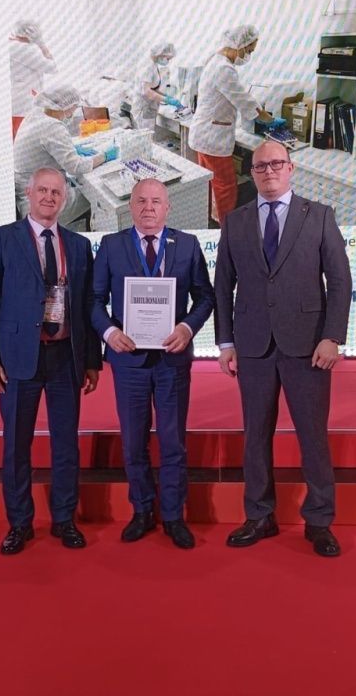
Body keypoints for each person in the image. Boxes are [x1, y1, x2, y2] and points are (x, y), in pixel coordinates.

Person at [214, 141, 352, 557]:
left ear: (291, 168)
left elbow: (339, 281)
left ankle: (319, 520)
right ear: (252, 173)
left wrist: (332, 336)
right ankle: (259, 515)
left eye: (276, 163)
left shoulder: (319, 216)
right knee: (255, 436)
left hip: (308, 345)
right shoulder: (235, 221)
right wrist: (225, 342)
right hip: (253, 345)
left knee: (313, 436)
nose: (269, 171)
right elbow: (223, 286)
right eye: (260, 166)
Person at [0, 167, 102, 555]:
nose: (49, 197)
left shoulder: (78, 245)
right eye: (42, 190)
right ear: (28, 194)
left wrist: (92, 360)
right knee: (17, 444)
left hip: (66, 358)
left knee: (66, 444)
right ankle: (19, 523)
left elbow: (86, 307)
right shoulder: (2, 238)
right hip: (17, 359)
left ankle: (64, 519)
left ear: (65, 198)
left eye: (56, 192)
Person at [92, 179, 214, 549]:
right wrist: (109, 332)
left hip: (171, 360)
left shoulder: (187, 245)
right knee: (133, 441)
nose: (149, 207)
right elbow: (93, 300)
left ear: (168, 207)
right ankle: (142, 510)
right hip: (128, 360)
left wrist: (187, 328)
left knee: (173, 441)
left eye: (156, 201)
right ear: (130, 206)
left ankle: (174, 515)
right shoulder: (111, 246)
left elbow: (205, 297)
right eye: (141, 201)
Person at [188, 24, 273, 223]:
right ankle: (227, 229)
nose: (248, 55)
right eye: (249, 50)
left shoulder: (215, 60)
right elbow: (243, 100)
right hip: (213, 139)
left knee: (212, 183)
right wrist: (268, 119)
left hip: (204, 134)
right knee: (226, 185)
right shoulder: (224, 69)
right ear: (239, 45)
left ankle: (214, 220)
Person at [12, 84, 119, 226]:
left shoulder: (35, 116)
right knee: (97, 197)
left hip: (28, 194)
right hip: (41, 203)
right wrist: (105, 156)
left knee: (81, 187)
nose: (73, 112)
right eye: (74, 107)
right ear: (65, 106)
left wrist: (73, 148)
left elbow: (47, 146)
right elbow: (76, 166)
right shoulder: (52, 126)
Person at [9, 20, 57, 139]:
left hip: (16, 101)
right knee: (25, 139)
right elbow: (52, 68)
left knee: (17, 138)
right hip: (24, 103)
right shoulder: (24, 49)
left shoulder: (11, 45)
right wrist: (41, 44)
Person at [131, 42, 182, 132]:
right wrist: (167, 100)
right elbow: (147, 92)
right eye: (167, 58)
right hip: (143, 108)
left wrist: (165, 96)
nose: (168, 61)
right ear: (160, 54)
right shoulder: (148, 67)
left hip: (148, 107)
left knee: (149, 134)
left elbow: (152, 88)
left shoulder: (153, 65)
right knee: (145, 135)